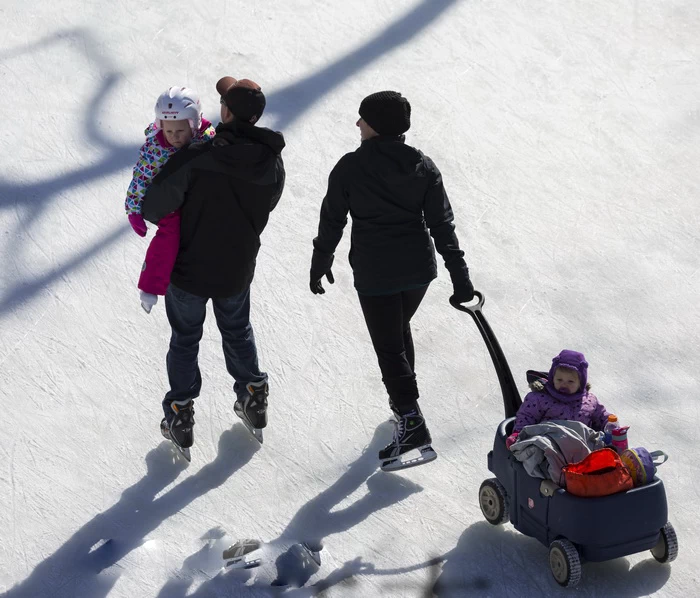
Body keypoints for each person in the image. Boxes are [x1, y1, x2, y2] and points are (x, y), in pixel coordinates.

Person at [309, 91, 474, 469]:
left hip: (376, 272)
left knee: (388, 346)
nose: (357, 124)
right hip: (418, 271)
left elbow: (333, 218)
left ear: (375, 125)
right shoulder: (423, 166)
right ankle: (404, 405)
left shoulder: (350, 166)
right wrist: (460, 279)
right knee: (397, 332)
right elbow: (442, 225)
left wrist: (321, 259)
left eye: (362, 119)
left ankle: (411, 418)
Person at [140, 76, 286, 453]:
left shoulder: (198, 157)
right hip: (236, 269)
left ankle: (180, 410)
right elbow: (269, 203)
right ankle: (252, 393)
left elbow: (154, 206)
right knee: (237, 330)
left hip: (188, 270)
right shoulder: (271, 161)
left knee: (186, 339)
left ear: (225, 111)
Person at [125, 86, 216, 313]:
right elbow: (140, 177)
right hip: (169, 204)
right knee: (169, 235)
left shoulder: (209, 138)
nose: (174, 138)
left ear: (194, 125)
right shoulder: (155, 148)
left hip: (196, 197)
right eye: (169, 132)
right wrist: (133, 209)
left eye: (180, 131)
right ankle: (150, 287)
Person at [506, 349, 610, 448]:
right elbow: (527, 417)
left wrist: (610, 424)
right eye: (559, 379)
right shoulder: (540, 398)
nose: (564, 384)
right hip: (548, 446)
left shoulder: (589, 400)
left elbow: (601, 416)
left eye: (570, 382)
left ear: (581, 383)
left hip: (581, 448)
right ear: (552, 378)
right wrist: (518, 434)